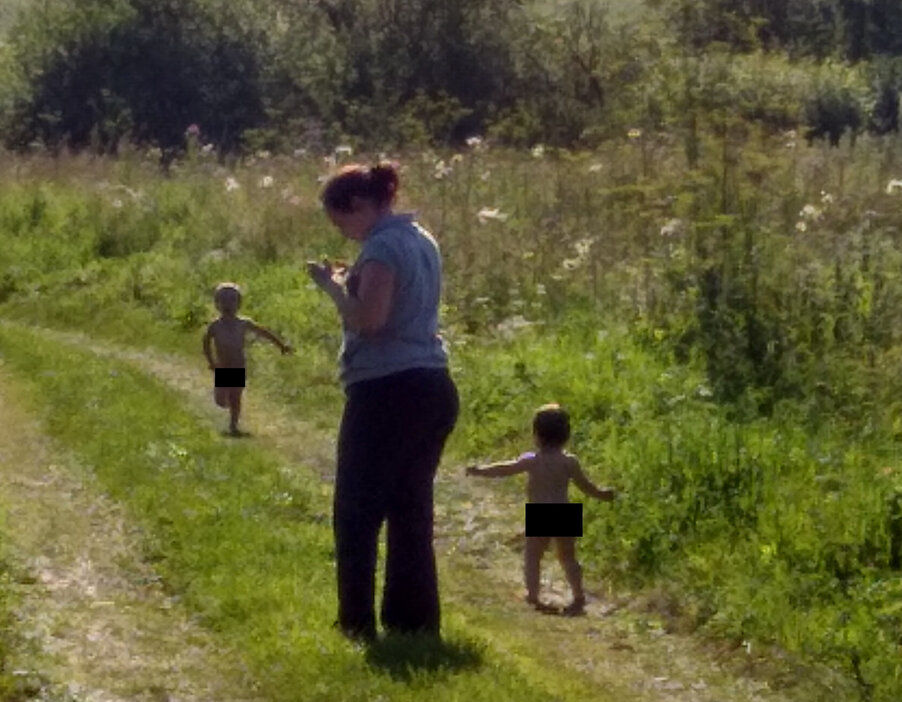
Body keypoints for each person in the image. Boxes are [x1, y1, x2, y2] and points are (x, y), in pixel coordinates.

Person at [307, 162, 459, 642]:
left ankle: (356, 623)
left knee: (356, 509)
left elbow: (370, 321)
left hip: (387, 390)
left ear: (360, 206)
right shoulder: (420, 238)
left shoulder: (382, 248)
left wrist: (331, 287)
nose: (343, 233)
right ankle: (413, 622)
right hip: (432, 384)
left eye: (340, 221)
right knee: (410, 507)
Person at [466, 403, 615, 616]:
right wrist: (603, 494)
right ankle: (578, 595)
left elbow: (504, 469)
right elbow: (586, 486)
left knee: (533, 556)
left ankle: (533, 594)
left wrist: (480, 471)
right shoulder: (570, 462)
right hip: (564, 512)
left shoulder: (532, 460)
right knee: (568, 557)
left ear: (537, 434)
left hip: (540, 512)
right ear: (566, 435)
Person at [202, 282, 292, 436]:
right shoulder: (215, 326)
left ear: (238, 304)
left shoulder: (243, 323)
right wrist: (211, 361)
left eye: (232, 301)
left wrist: (281, 345)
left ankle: (233, 425)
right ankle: (225, 401)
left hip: (237, 365)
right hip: (222, 366)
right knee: (220, 400)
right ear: (217, 304)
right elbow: (206, 343)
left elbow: (264, 333)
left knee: (236, 396)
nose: (228, 305)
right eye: (223, 301)